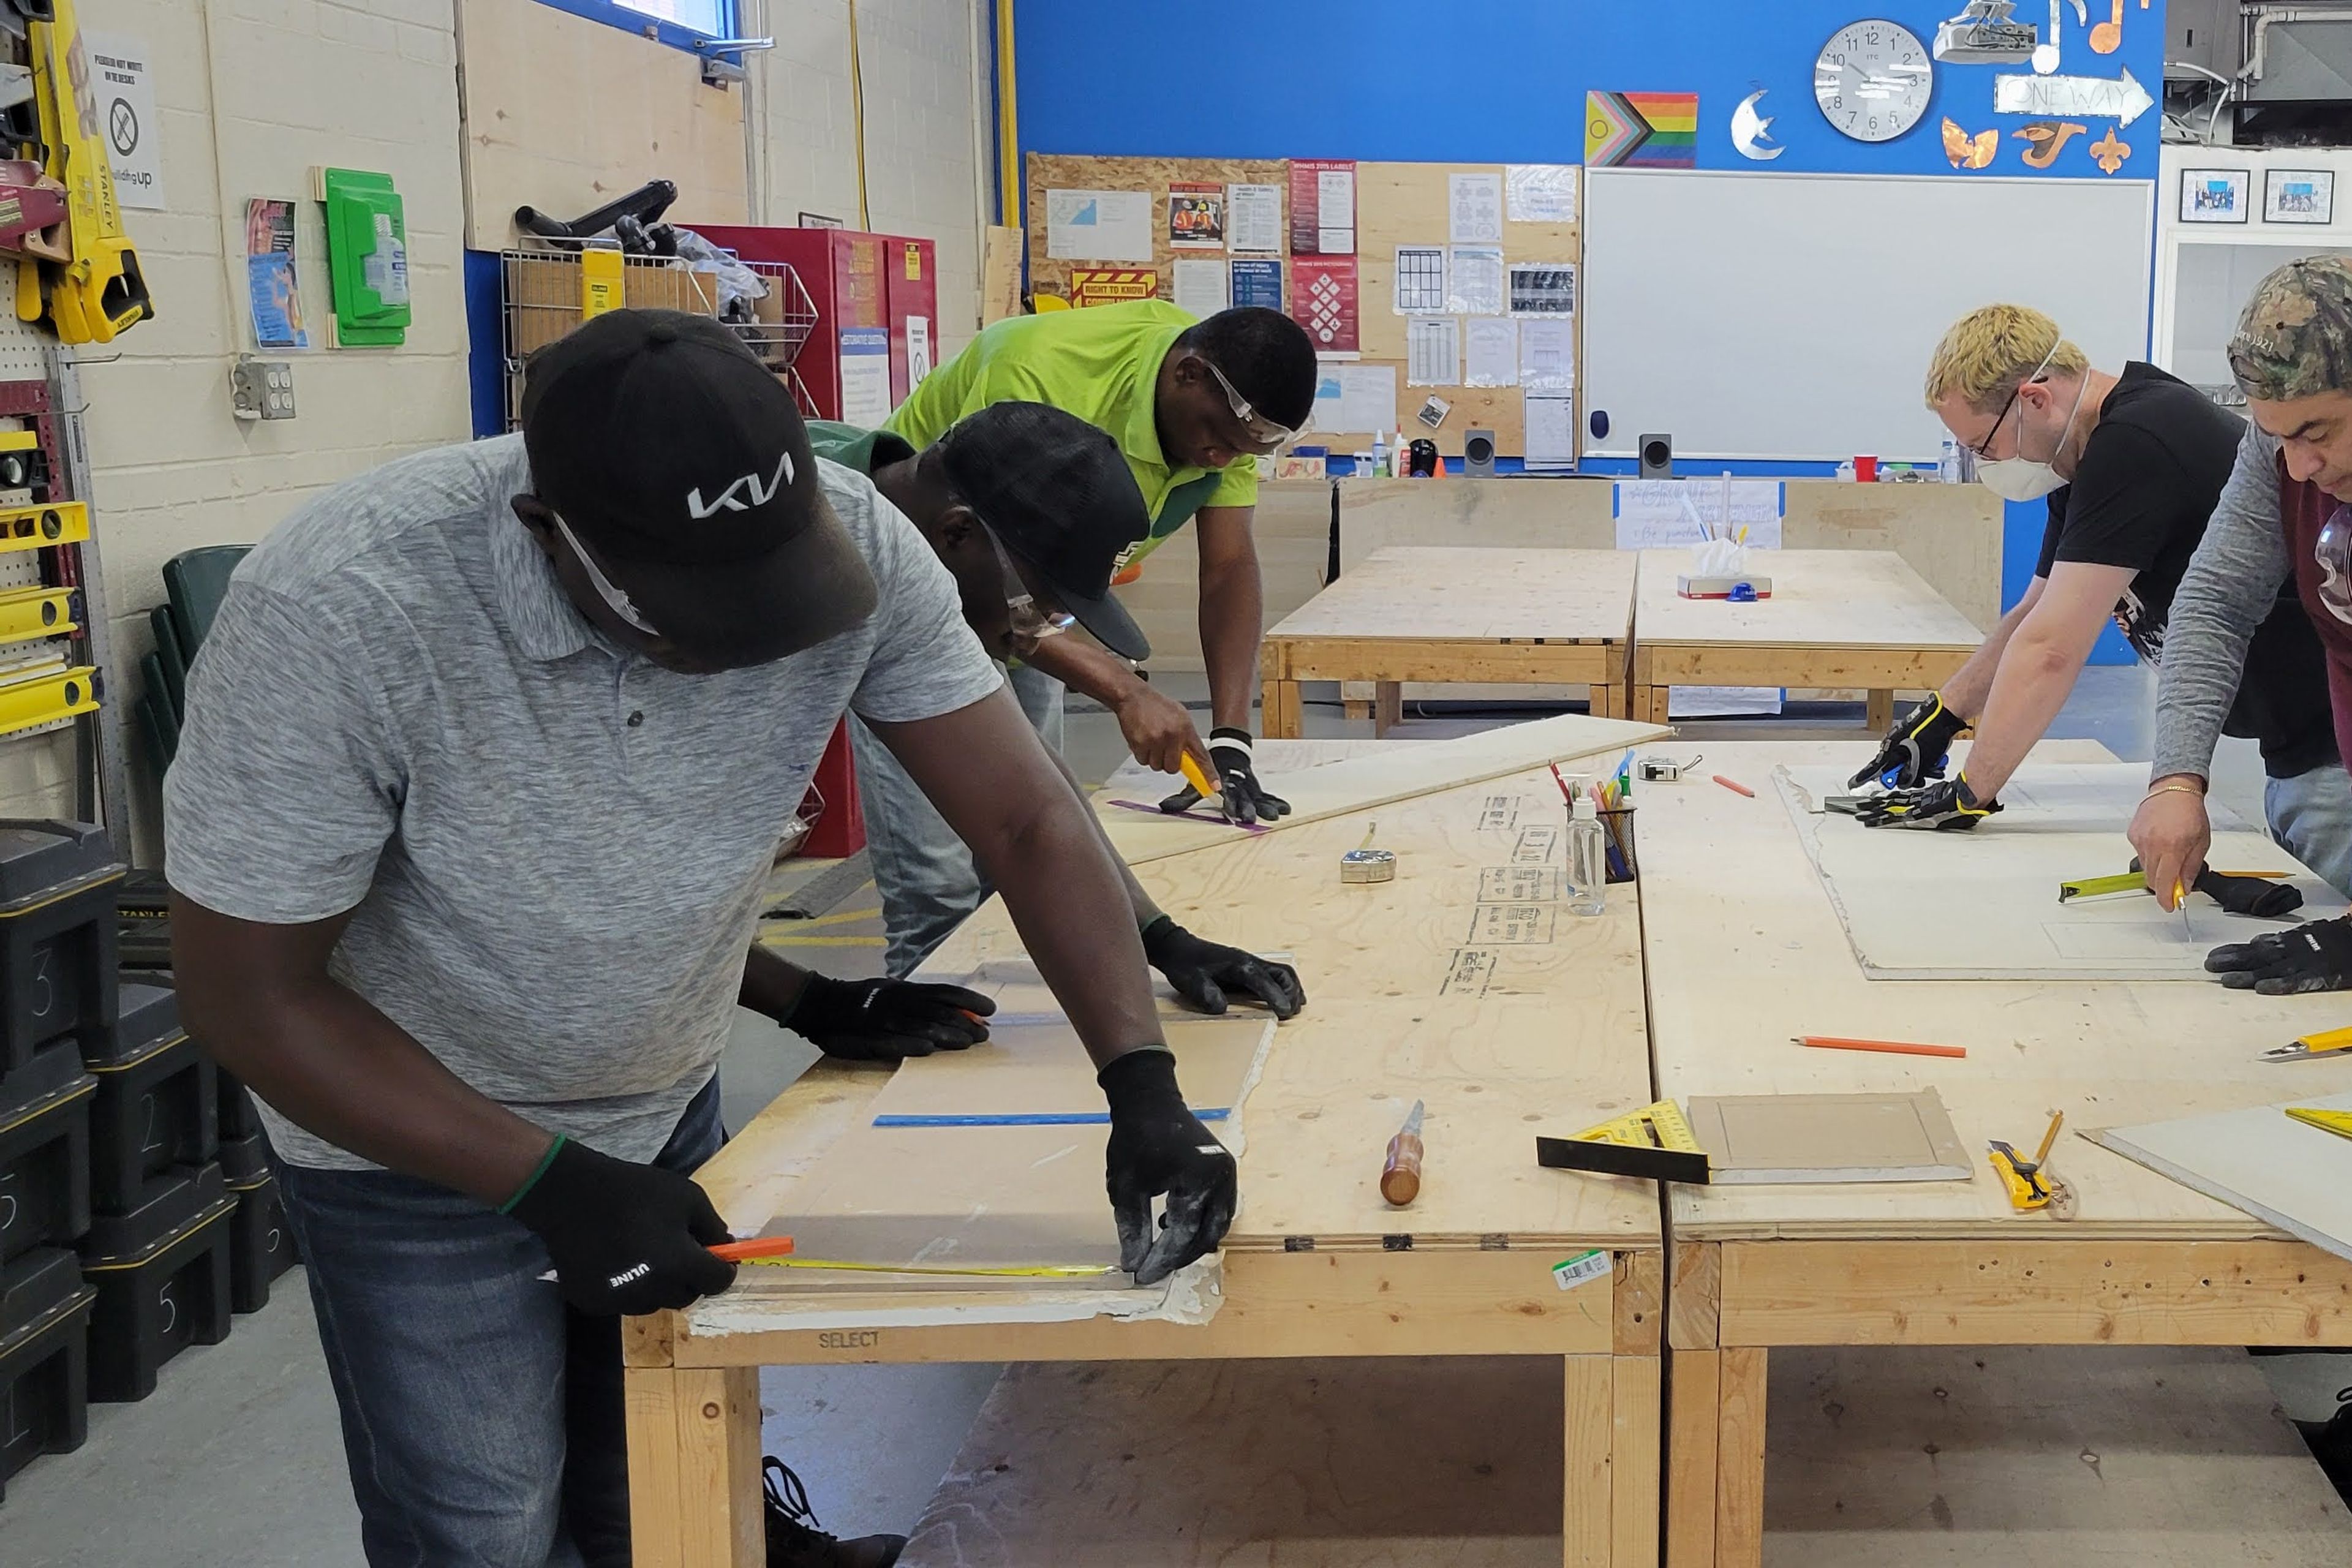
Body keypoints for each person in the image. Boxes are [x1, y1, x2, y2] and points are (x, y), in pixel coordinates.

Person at [163, 310, 1238, 1568]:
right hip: (413, 1152)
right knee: (486, 1522)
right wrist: (543, 1178)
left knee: (662, 1480)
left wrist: (1142, 1081)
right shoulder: (345, 606)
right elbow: (249, 997)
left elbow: (1026, 820)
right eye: (697, 616)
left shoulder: (876, 542)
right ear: (546, 527)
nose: (737, 659)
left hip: (661, 1099)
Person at [863, 300, 1317, 974]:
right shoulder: (1042, 372)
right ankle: (924, 1049)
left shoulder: (1230, 418)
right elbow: (977, 561)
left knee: (1028, 830)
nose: (1221, 457)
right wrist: (1121, 689)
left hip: (1026, 595)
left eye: (1243, 451)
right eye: (1217, 438)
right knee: (938, 883)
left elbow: (1228, 568)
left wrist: (1230, 737)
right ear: (1188, 374)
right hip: (921, 596)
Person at [1850, 304, 2350, 878]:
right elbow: (2035, 612)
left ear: (2035, 400)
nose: (1985, 464)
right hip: (2298, 740)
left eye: (1983, 447)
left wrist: (1972, 790)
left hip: (2330, 738)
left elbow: (2054, 649)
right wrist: (1942, 714)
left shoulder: (2138, 439)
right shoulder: (2082, 460)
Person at [2132, 256, 2352, 997]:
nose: (2300, 466)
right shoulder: (2281, 452)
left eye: (2317, 431)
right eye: (2279, 438)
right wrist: (2176, 779)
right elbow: (2215, 602)